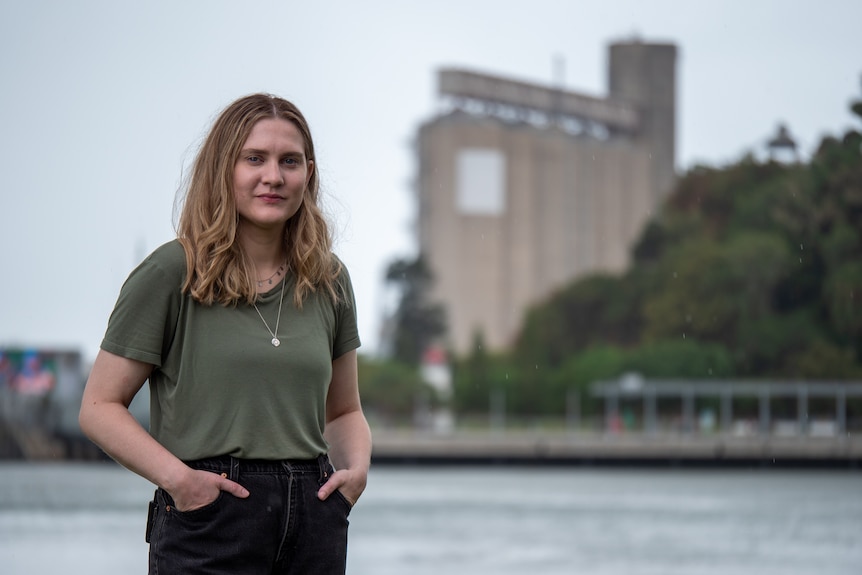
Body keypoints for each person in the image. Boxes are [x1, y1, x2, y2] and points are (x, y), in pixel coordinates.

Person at [79, 93, 372, 574]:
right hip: (209, 517)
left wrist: (355, 474)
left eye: (289, 161)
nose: (273, 176)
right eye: (254, 158)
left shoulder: (329, 278)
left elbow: (343, 410)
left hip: (315, 517)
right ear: (223, 169)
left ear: (308, 174)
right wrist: (181, 482)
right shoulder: (172, 272)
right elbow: (98, 408)